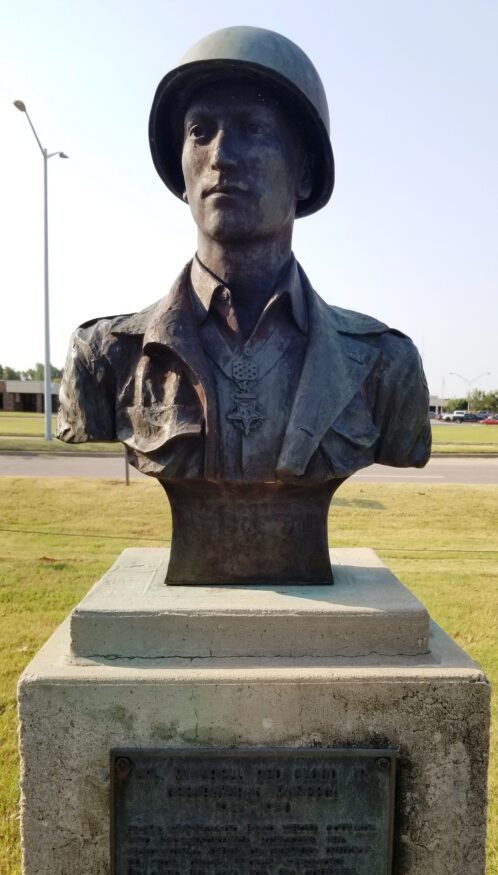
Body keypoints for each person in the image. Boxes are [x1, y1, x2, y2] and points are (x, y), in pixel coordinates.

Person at [57, 26, 430, 584]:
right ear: (180, 173)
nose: (222, 156)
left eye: (254, 129)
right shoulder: (105, 357)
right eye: (200, 132)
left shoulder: (385, 366)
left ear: (304, 171)